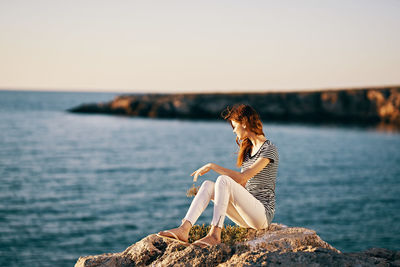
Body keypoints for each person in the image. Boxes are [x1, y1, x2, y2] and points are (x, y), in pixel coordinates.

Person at [157, 104, 279, 248]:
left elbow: (242, 178)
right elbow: (242, 186)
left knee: (223, 180)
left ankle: (215, 234)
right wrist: (208, 195)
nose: (234, 131)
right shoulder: (248, 151)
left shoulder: (268, 149)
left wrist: (213, 166)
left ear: (244, 122)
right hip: (246, 216)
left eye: (234, 126)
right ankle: (184, 229)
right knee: (208, 185)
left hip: (261, 215)